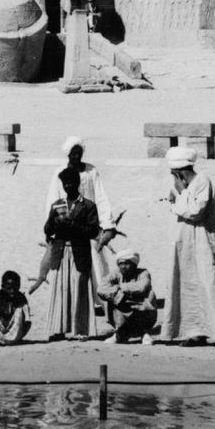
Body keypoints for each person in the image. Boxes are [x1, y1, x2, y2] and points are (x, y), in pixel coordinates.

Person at [32, 138, 116, 294]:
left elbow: (101, 197)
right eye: (73, 154)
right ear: (68, 154)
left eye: (79, 153)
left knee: (95, 261)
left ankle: (99, 298)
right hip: (67, 227)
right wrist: (52, 225)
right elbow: (52, 200)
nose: (77, 156)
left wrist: (107, 225)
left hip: (89, 223)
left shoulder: (91, 171)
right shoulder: (59, 173)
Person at [161, 147, 215, 345]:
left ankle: (213, 331)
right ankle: (191, 331)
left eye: (174, 174)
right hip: (183, 244)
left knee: (206, 284)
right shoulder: (182, 187)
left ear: (180, 172)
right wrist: (179, 197)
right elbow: (179, 207)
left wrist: (181, 194)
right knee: (187, 285)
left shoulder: (202, 181)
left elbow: (196, 210)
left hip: (202, 242)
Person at [42, 166, 100, 339]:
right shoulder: (57, 205)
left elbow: (92, 231)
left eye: (71, 182)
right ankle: (59, 330)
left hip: (79, 252)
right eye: (65, 183)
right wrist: (53, 220)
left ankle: (81, 330)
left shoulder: (88, 206)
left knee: (80, 287)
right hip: (61, 251)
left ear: (77, 183)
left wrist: (73, 226)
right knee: (60, 288)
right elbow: (47, 230)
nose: (68, 186)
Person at [97, 250, 157, 344]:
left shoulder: (143, 273)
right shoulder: (115, 274)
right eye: (121, 263)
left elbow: (142, 287)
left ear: (134, 264)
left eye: (127, 263)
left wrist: (119, 288)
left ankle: (144, 333)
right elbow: (101, 288)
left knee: (151, 295)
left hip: (139, 306)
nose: (123, 266)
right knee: (107, 298)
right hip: (122, 305)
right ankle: (119, 333)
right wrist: (120, 296)